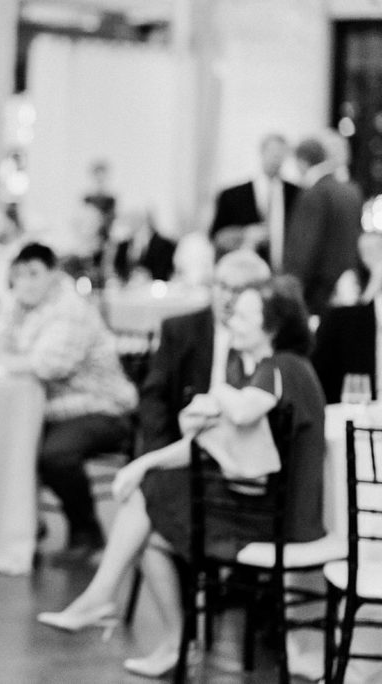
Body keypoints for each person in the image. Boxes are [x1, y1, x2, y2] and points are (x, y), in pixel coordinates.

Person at [38, 276, 327, 679]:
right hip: (256, 506)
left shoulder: (283, 368)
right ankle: (164, 636)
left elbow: (242, 413)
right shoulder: (264, 371)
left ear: (272, 327)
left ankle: (120, 608)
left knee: (148, 504)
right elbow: (211, 443)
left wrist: (215, 397)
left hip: (279, 520)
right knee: (150, 525)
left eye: (243, 315)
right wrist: (143, 463)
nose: (231, 321)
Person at [0, 242, 137, 560]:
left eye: (34, 274)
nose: (26, 282)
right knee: (7, 442)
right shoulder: (18, 304)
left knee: (54, 455)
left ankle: (87, 532)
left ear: (53, 274)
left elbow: (47, 365)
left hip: (101, 407)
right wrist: (8, 307)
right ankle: (22, 527)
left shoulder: (71, 309)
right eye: (19, 276)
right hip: (50, 411)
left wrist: (2, 359)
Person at [139, 249, 272, 455]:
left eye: (238, 290)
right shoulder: (180, 330)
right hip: (186, 442)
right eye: (222, 287)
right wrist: (162, 453)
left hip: (245, 447)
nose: (227, 298)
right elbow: (154, 397)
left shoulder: (264, 337)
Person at [284, 135, 363, 315]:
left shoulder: (315, 193)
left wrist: (291, 288)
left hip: (319, 289)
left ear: (302, 162)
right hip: (346, 281)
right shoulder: (351, 190)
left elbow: (304, 246)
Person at [209, 133, 300, 267]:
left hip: (282, 267)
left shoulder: (296, 194)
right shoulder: (233, 195)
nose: (276, 159)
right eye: (273, 153)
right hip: (244, 268)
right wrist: (243, 234)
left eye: (281, 154)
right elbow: (216, 236)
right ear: (262, 152)